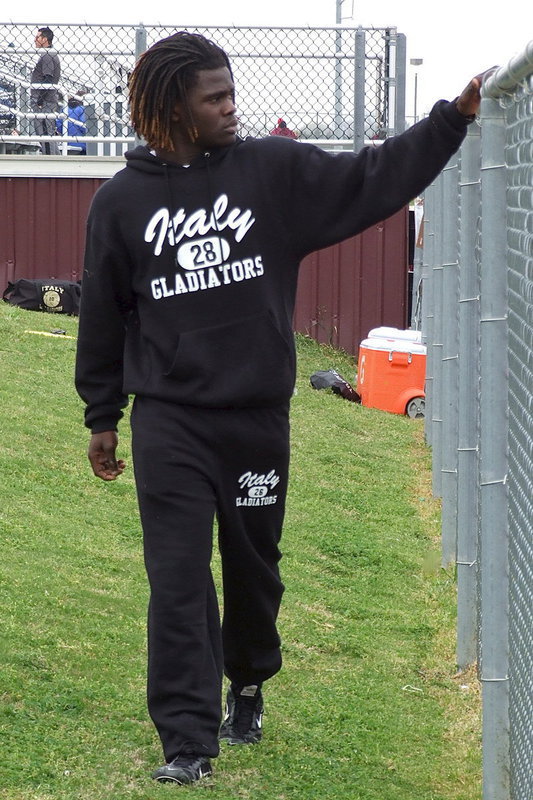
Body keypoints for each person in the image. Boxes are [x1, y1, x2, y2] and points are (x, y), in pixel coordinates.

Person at [75, 31, 486, 787]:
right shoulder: (121, 202)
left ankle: (250, 678)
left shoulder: (271, 173)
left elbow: (372, 177)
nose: (233, 108)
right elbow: (103, 313)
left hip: (255, 417)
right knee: (176, 575)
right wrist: (102, 415)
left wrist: (448, 119)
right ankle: (187, 741)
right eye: (215, 98)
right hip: (169, 419)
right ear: (173, 106)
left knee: (252, 570)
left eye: (232, 92)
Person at [31, 26, 61, 155]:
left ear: (44, 39)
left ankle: (50, 160)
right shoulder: (49, 54)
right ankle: (55, 160)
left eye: (37, 37)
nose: (35, 40)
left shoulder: (47, 55)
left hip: (45, 102)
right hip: (47, 101)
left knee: (44, 134)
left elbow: (48, 79)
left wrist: (40, 100)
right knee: (47, 133)